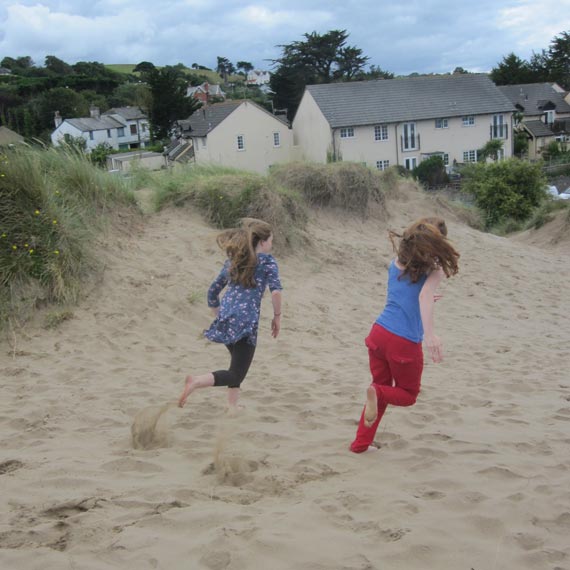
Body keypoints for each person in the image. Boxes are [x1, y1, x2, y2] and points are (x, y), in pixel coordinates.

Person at [350, 217, 459, 453]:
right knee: (407, 394)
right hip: (403, 343)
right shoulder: (433, 272)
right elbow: (422, 297)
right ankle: (376, 393)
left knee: (379, 391)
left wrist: (427, 298)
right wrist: (430, 335)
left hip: (378, 333)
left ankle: (360, 444)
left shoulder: (395, 264)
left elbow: (410, 294)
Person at [178, 218, 283, 410]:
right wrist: (277, 316)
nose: (271, 244)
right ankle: (196, 381)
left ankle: (232, 407)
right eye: (271, 241)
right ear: (262, 242)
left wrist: (220, 315)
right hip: (246, 323)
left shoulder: (233, 261)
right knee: (236, 373)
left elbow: (212, 292)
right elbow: (276, 291)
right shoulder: (267, 262)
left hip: (226, 319)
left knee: (237, 364)